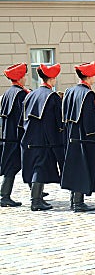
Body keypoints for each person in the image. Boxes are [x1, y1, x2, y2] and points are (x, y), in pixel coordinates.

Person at [61, 61, 95, 212]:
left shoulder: (69, 91)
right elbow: (89, 118)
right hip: (84, 136)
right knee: (83, 167)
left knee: (75, 166)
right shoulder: (88, 93)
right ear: (88, 76)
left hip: (70, 133)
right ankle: (78, 203)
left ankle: (74, 200)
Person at [21, 63, 64, 211]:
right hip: (44, 140)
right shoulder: (52, 96)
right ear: (51, 78)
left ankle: (38, 198)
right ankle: (36, 201)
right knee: (39, 169)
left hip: (30, 138)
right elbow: (58, 120)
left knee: (36, 168)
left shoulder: (30, 94)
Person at [0, 63, 29, 207]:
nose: (25, 78)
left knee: (17, 164)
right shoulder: (20, 93)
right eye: (24, 76)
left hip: (7, 134)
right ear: (20, 78)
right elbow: (22, 118)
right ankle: (4, 195)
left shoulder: (7, 93)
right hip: (16, 136)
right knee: (14, 165)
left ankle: (36, 190)